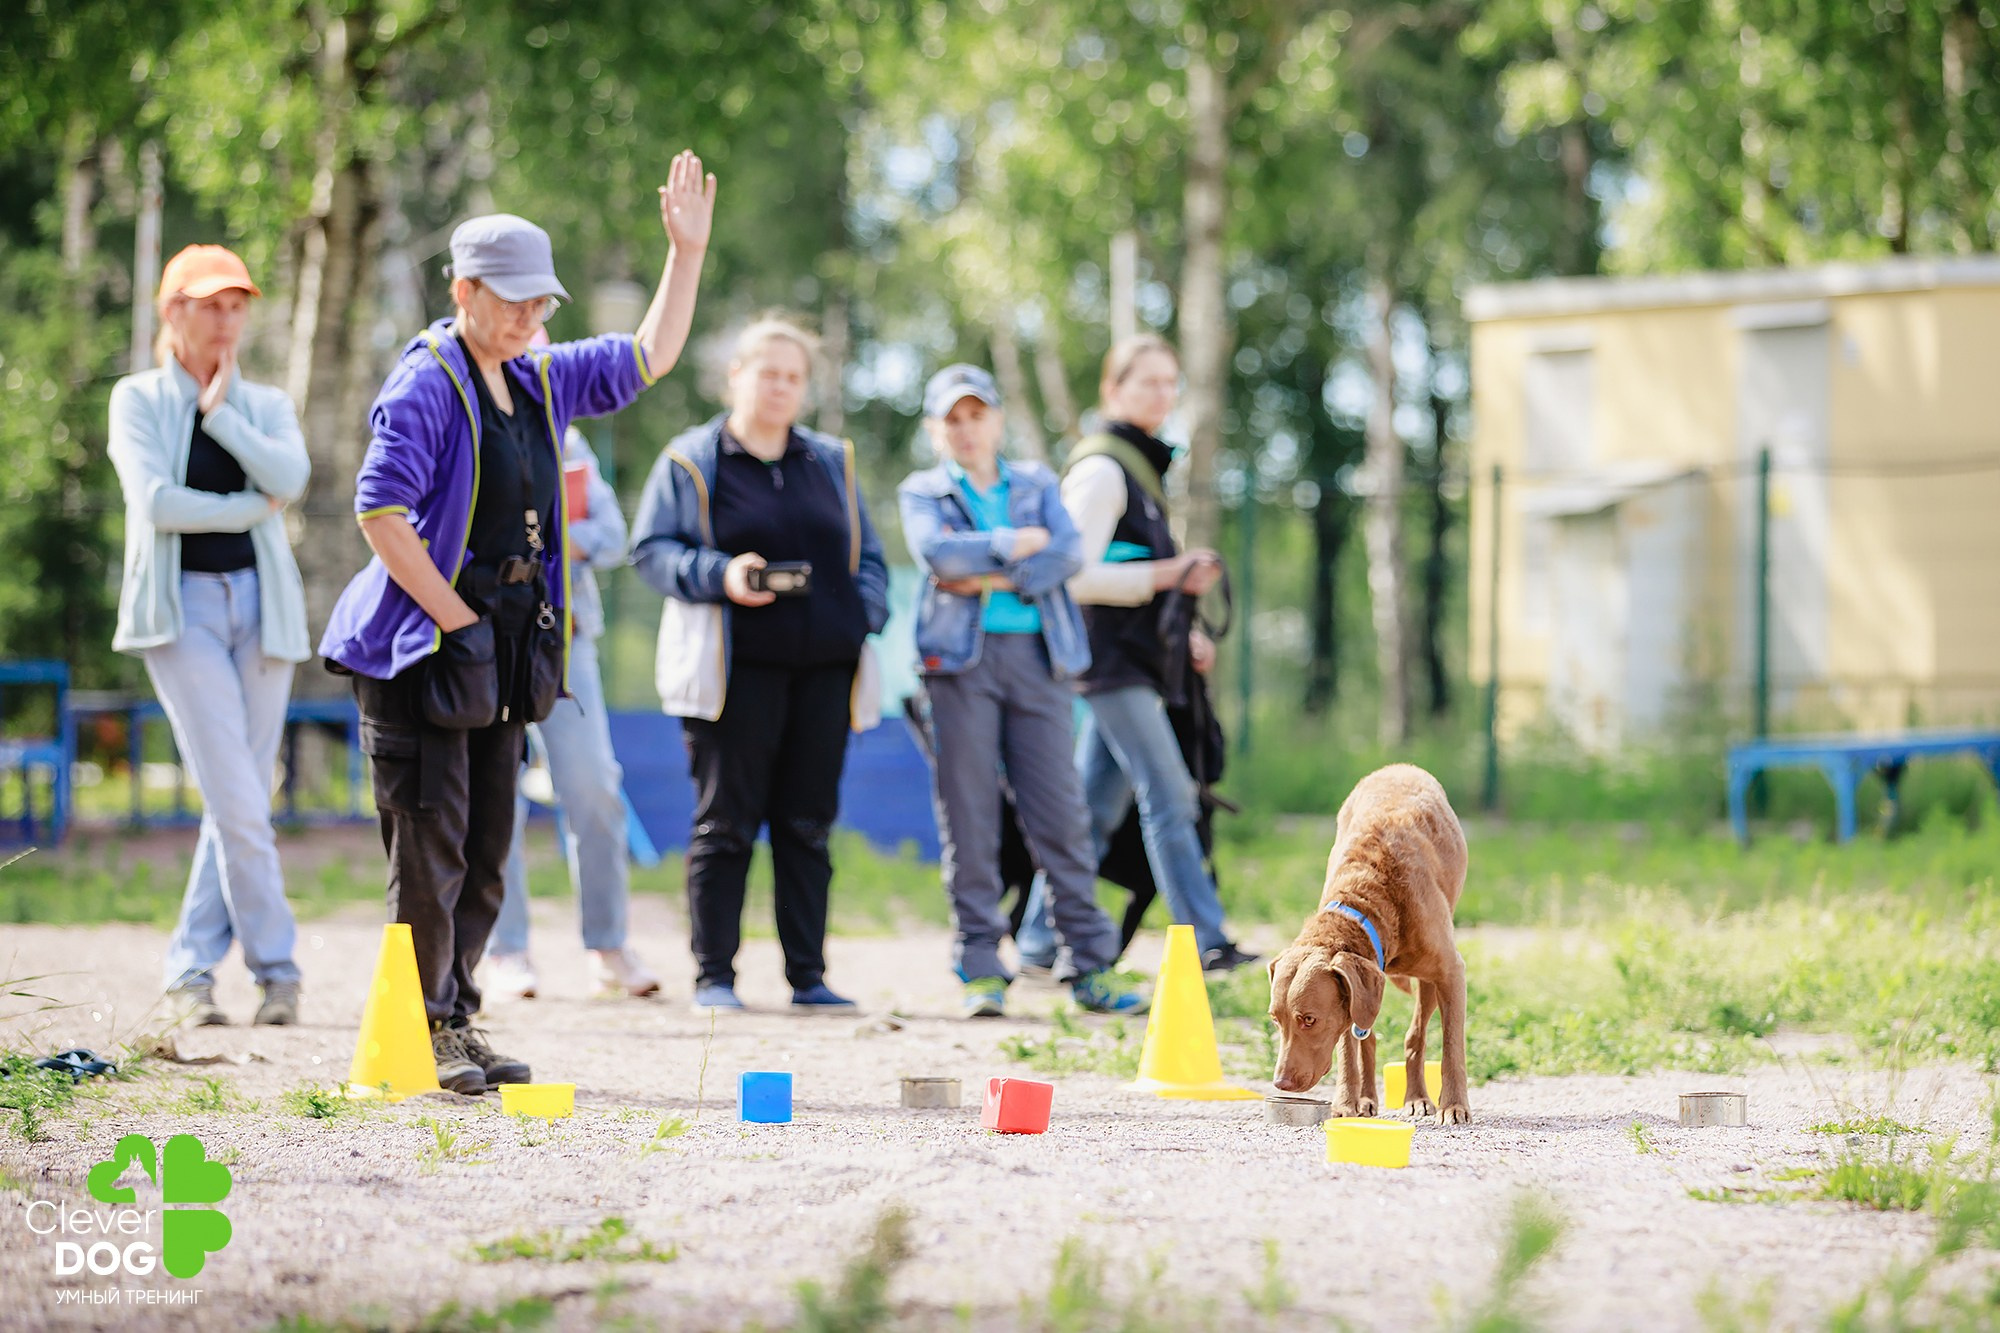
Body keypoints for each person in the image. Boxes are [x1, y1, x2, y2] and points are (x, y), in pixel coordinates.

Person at [319, 152, 716, 1094]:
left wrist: (685, 254)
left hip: (502, 648)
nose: (532, 318)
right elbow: (381, 515)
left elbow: (648, 356)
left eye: (542, 303)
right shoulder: (426, 384)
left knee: (490, 842)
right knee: (433, 842)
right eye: (513, 301)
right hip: (426, 648)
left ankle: (458, 1015)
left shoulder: (537, 377)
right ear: (462, 289)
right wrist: (457, 620)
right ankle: (417, 1032)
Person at [630, 316, 890, 1016]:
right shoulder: (690, 459)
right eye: (766, 372)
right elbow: (651, 550)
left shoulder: (834, 460)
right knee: (726, 825)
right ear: (735, 376)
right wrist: (719, 573)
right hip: (731, 672)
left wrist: (865, 611)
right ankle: (716, 975)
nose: (779, 386)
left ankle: (809, 976)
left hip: (825, 672)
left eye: (793, 376)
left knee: (808, 824)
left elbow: (870, 558)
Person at [898, 364, 1147, 1019]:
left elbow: (1066, 554)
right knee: (971, 817)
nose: (966, 428)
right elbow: (938, 558)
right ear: (935, 429)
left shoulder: (1036, 481)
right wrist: (1013, 544)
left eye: (977, 414)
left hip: (1039, 661)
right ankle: (981, 965)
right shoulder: (922, 490)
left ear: (997, 420)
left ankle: (1090, 963)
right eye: (952, 418)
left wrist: (989, 573)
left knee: (1062, 816)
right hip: (957, 665)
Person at [109, 244, 311, 1028]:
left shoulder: (260, 402)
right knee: (236, 794)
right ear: (174, 312)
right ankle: (279, 968)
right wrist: (245, 506)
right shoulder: (135, 399)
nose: (227, 318)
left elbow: (289, 482)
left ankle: (191, 972)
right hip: (180, 609)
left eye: (236, 304)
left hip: (263, 606)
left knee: (237, 800)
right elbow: (155, 504)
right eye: (210, 304)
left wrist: (222, 417)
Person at [1056, 334, 1258, 973]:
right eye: (1146, 382)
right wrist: (1171, 574)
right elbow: (1073, 576)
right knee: (1170, 794)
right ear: (1111, 391)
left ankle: (1037, 941)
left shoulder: (1139, 468)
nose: (1161, 395)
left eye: (1170, 383)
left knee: (1092, 813)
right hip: (1110, 666)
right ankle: (1206, 940)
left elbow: (1136, 575)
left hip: (1139, 662)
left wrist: (1185, 628)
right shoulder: (1101, 470)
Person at [485, 425, 660, 1002]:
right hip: (485, 638)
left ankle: (608, 946)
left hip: (566, 638)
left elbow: (610, 537)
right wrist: (550, 538)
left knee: (594, 786)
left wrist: (535, 537)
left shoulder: (571, 440)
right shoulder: (470, 423)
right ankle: (506, 950)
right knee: (494, 792)